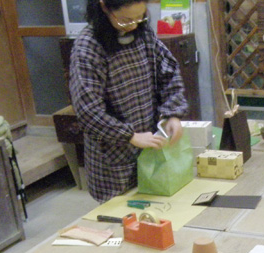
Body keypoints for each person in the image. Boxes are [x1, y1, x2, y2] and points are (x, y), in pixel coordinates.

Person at [69, 0, 188, 203]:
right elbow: (88, 111)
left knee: (159, 206)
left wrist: (172, 114)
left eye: (140, 17)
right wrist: (129, 136)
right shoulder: (88, 47)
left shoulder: (143, 33)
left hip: (149, 147)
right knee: (122, 212)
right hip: (113, 160)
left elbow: (168, 72)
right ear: (104, 7)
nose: (133, 26)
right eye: (125, 20)